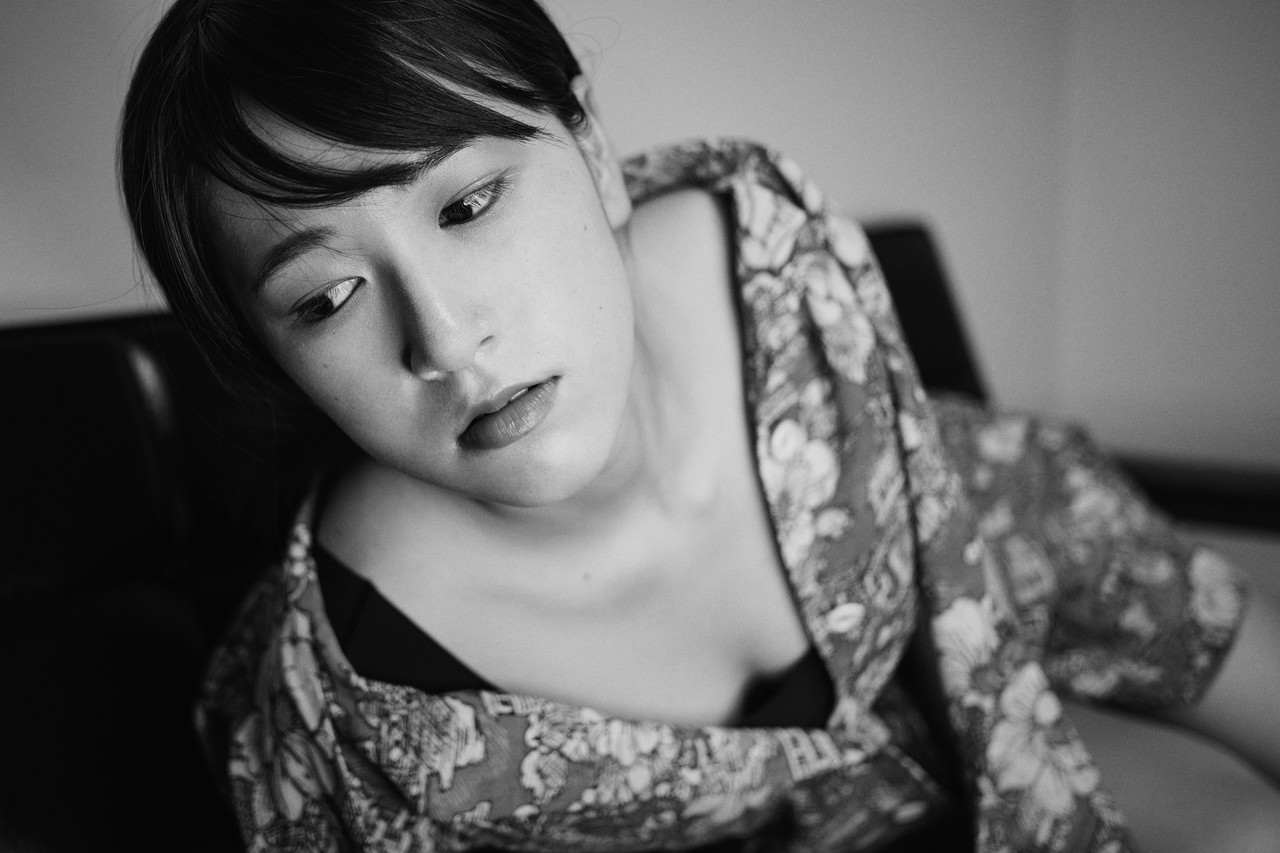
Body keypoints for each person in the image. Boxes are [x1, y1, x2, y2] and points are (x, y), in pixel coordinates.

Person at [118, 1, 1280, 850]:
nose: (447, 339)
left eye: (467, 203)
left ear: (590, 152)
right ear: (270, 358)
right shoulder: (363, 702)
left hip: (1016, 573)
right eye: (326, 298)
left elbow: (1003, 562)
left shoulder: (766, 256)